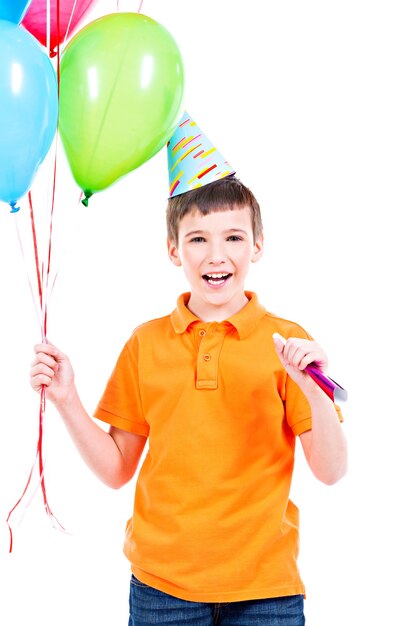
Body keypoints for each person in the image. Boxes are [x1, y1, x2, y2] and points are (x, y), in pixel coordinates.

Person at [30, 113, 347, 626]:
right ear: (173, 248)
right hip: (162, 592)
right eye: (198, 238)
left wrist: (313, 391)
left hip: (267, 592)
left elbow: (331, 471)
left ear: (257, 246)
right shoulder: (145, 343)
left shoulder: (288, 344)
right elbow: (115, 470)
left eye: (234, 238)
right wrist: (67, 399)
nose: (216, 255)